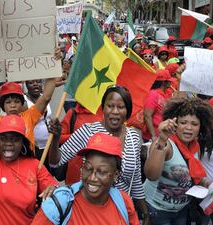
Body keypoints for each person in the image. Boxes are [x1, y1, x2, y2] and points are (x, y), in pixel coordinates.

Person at [0, 63, 58, 225]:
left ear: (23, 142)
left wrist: (53, 67)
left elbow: (45, 97)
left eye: (16, 138)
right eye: (4, 138)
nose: (9, 143)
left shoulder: (35, 166)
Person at [47, 85, 149, 224]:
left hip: (121, 210)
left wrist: (145, 213)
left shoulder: (133, 137)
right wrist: (56, 139)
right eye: (110, 106)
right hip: (90, 209)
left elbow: (135, 180)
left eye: (120, 107)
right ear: (103, 108)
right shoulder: (88, 131)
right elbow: (55, 161)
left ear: (128, 111)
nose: (114, 112)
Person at [31, 132, 140, 225]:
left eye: (101, 172)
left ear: (115, 175)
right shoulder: (60, 203)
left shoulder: (124, 202)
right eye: (88, 168)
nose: (92, 178)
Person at [144, 97, 213, 225]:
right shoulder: (166, 144)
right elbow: (151, 175)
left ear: (200, 127)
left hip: (181, 211)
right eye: (183, 122)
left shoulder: (194, 146)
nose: (189, 128)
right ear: (174, 123)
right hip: (157, 211)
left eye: (194, 124)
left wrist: (208, 184)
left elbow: (191, 174)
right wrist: (162, 139)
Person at [60, 103, 103, 184]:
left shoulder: (104, 112)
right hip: (75, 170)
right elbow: (59, 138)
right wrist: (80, 136)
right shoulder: (73, 113)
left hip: (98, 170)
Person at [143, 70, 174, 142]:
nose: (171, 83)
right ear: (164, 82)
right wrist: (153, 136)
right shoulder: (153, 94)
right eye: (169, 81)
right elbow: (147, 115)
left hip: (162, 135)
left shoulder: (165, 94)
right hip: (152, 137)